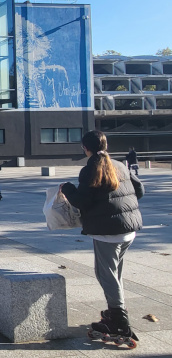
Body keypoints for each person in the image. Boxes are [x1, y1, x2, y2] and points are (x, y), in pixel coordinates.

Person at [60, 130, 144, 346]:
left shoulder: (90, 169)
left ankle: (119, 322)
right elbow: (140, 190)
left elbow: (82, 201)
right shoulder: (120, 165)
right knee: (115, 274)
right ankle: (117, 310)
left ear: (84, 148)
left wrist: (67, 188)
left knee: (105, 274)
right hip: (129, 229)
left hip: (108, 232)